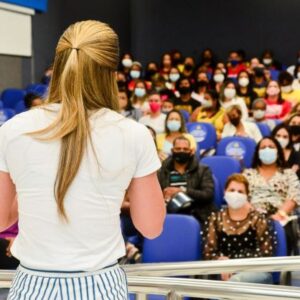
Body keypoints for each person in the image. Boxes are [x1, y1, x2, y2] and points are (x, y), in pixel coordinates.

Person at [0, 21, 166, 299]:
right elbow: (150, 226)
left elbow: (2, 219)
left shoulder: (14, 129)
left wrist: (35, 194)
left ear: (59, 63)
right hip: (101, 287)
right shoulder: (134, 134)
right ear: (112, 73)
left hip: (31, 287)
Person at [203, 174, 274, 284]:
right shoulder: (215, 219)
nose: (235, 194)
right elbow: (208, 253)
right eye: (232, 190)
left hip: (255, 272)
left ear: (247, 196)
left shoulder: (258, 219)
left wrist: (236, 266)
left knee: (234, 282)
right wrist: (219, 260)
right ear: (224, 192)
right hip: (223, 271)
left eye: (240, 192)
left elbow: (266, 254)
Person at [243, 137, 300, 254]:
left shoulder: (288, 173)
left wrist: (278, 215)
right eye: (263, 147)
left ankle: (278, 269)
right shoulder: (248, 174)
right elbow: (242, 198)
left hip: (281, 218)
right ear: (258, 153)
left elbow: (294, 196)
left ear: (278, 152)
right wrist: (257, 217)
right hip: (252, 216)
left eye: (271, 147)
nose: (267, 149)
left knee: (281, 230)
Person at [158, 136, 215, 224]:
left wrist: (182, 191)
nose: (182, 151)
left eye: (185, 149)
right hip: (167, 215)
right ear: (172, 150)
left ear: (191, 151)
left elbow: (208, 194)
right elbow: (153, 195)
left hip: (196, 215)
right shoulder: (162, 171)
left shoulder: (203, 170)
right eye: (178, 149)